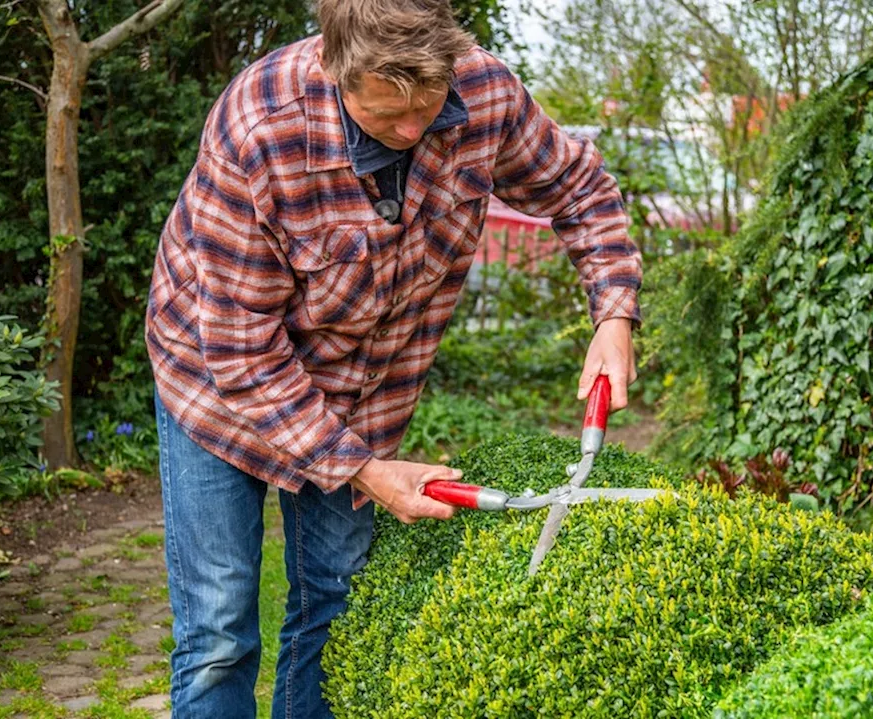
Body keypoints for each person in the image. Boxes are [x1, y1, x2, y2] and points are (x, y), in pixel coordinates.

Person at [143, 0, 641, 716]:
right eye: (388, 115)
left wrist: (614, 314)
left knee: (338, 598)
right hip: (217, 384)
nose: (414, 132)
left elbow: (581, 190)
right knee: (221, 628)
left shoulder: (485, 94)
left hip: (361, 393)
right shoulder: (261, 128)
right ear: (334, 68)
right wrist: (367, 474)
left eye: (429, 105)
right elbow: (242, 352)